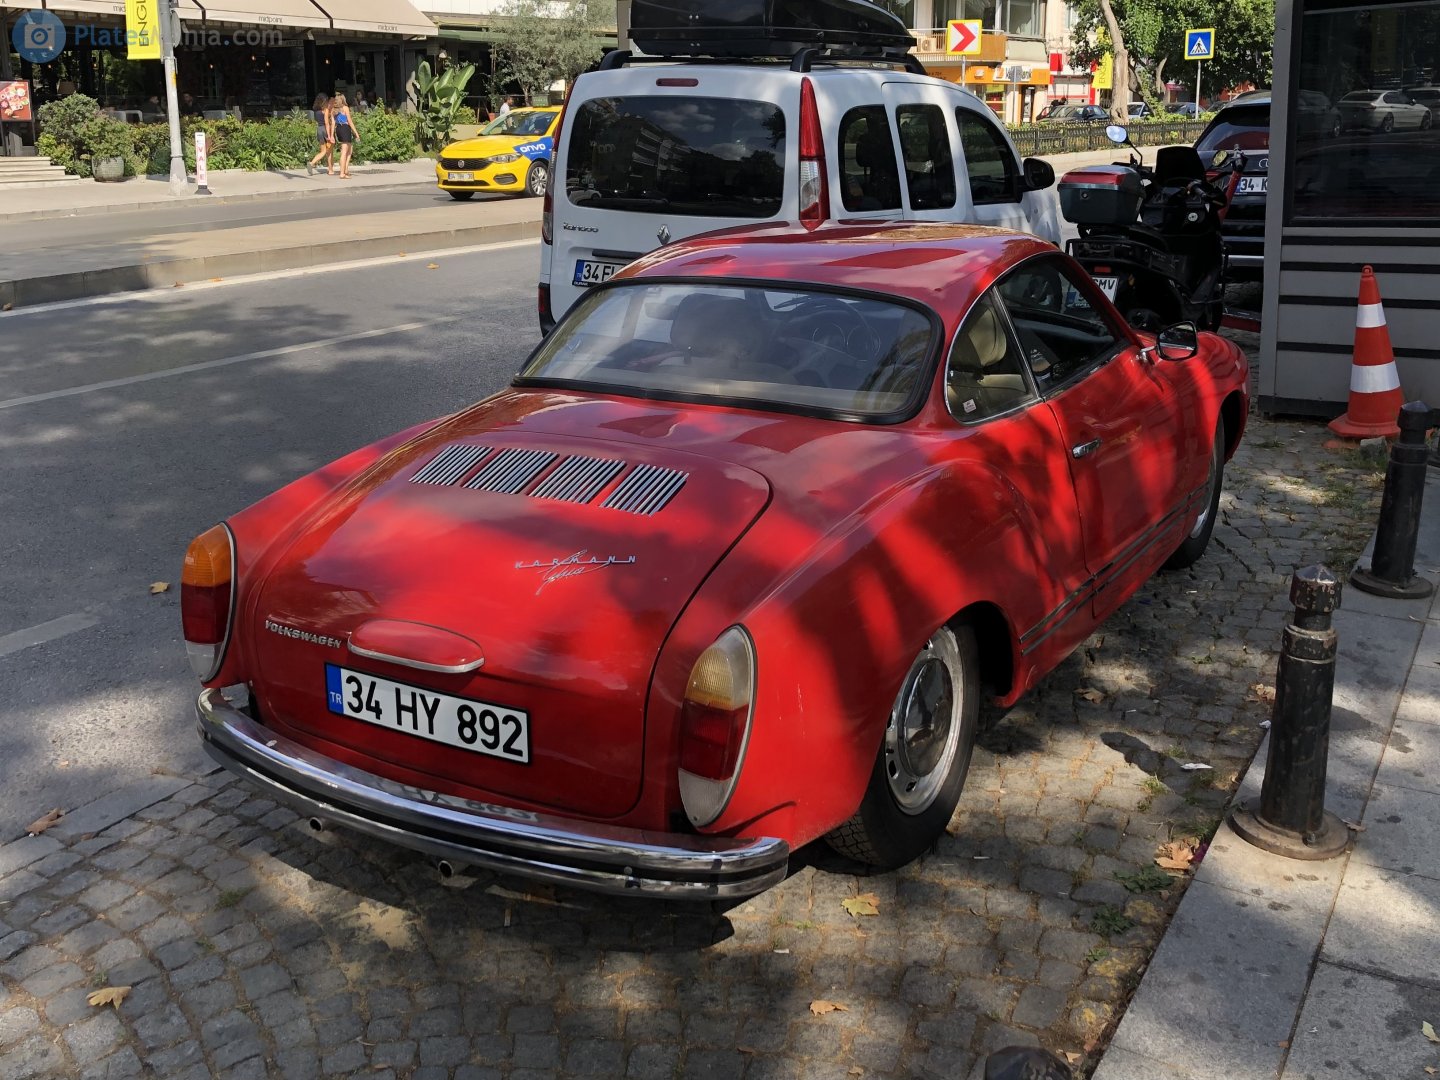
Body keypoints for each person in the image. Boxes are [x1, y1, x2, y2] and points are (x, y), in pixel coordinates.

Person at [331, 93, 359, 179]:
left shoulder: (333, 110)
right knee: (344, 152)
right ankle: (342, 173)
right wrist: (356, 133)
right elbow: (350, 121)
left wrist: (332, 135)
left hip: (338, 129)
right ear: (343, 100)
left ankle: (346, 170)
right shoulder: (345, 108)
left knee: (350, 150)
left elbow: (333, 123)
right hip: (345, 128)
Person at [306, 93, 334, 177]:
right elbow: (327, 123)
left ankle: (329, 169)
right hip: (325, 129)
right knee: (328, 151)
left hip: (319, 129)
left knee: (323, 150)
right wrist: (329, 135)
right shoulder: (325, 110)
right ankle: (314, 163)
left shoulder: (316, 111)